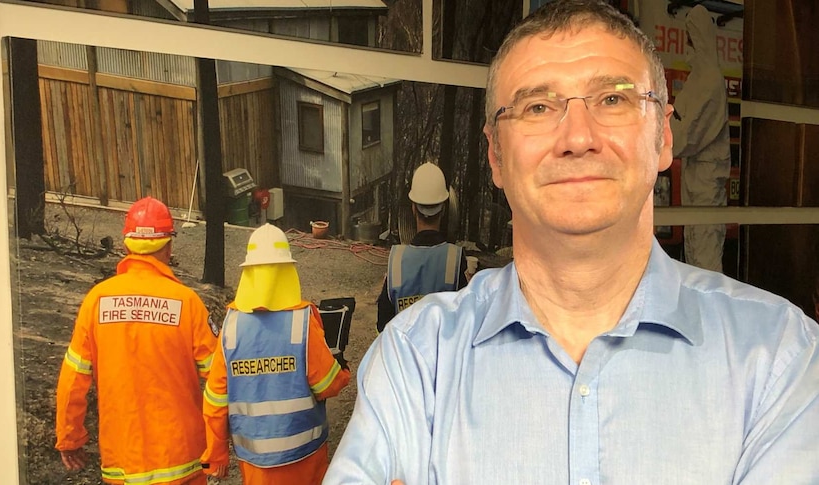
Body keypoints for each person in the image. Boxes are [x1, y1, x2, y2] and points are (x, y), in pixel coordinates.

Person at [325, 1, 819, 484]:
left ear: (663, 137)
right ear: (496, 155)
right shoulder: (415, 360)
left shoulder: (781, 358)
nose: (577, 137)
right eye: (537, 107)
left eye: (613, 98)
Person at [56, 196, 218, 485]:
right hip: (180, 458)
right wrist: (222, 444)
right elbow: (219, 377)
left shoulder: (97, 301)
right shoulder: (187, 303)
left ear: (126, 246)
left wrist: (70, 437)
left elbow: (73, 378)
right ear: (168, 246)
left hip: (122, 458)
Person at [200, 223, 351, 485]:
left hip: (254, 464)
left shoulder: (231, 328)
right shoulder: (302, 323)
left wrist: (216, 453)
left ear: (248, 273)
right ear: (287, 270)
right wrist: (344, 372)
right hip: (305, 459)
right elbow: (328, 384)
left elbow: (214, 400)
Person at [671, 4, 732, 272]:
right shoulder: (699, 78)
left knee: (706, 259)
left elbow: (687, 134)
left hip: (706, 185)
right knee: (694, 253)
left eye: (690, 35)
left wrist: (658, 142)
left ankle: (711, 314)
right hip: (696, 180)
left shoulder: (709, 81)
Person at [375, 162, 468, 333]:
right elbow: (465, 325)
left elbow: (382, 327)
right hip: (442, 358)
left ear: (413, 208)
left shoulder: (396, 261)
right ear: (444, 208)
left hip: (403, 358)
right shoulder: (454, 260)